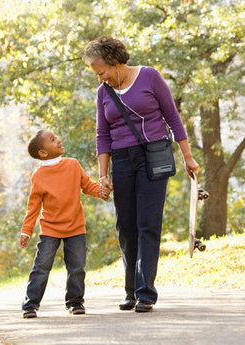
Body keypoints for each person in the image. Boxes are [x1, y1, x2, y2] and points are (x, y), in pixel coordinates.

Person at [83, 36, 199, 312]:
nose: (100, 78)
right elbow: (102, 136)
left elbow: (172, 117)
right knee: (126, 226)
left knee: (148, 224)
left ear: (116, 62)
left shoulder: (149, 77)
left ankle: (145, 292)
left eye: (102, 71)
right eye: (96, 74)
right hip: (122, 161)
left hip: (153, 155)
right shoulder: (103, 92)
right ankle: (130, 291)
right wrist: (103, 175)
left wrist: (188, 156)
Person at [19, 129, 110, 318]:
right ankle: (30, 304)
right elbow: (33, 207)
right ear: (43, 153)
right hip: (50, 230)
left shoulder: (73, 165)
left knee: (77, 267)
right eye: (53, 139)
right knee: (41, 267)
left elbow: (87, 186)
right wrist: (26, 231)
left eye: (56, 137)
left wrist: (100, 191)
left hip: (75, 227)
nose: (58, 140)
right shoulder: (39, 176)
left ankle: (75, 302)